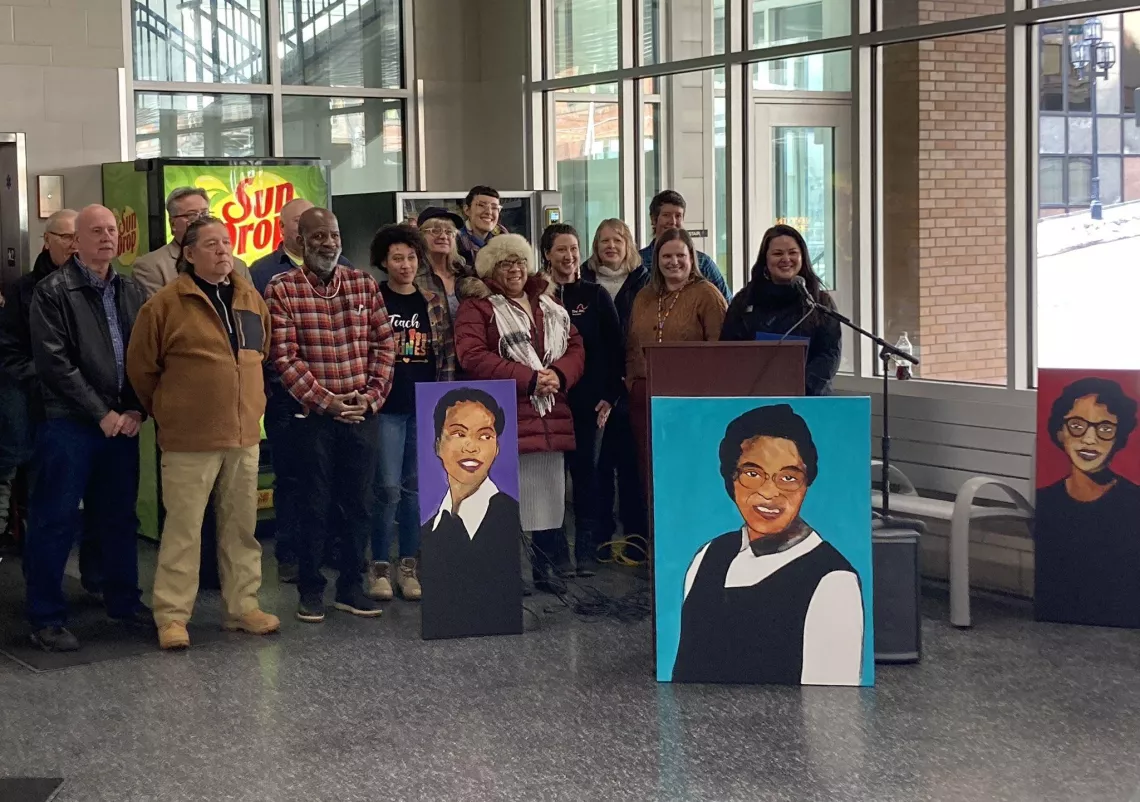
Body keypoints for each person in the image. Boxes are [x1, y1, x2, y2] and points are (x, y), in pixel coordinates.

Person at [126, 217, 280, 650]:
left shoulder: (249, 297)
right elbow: (141, 368)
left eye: (226, 242)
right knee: (184, 530)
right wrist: (171, 410)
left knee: (241, 528)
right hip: (189, 439)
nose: (222, 250)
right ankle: (172, 616)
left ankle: (242, 607)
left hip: (244, 435)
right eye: (211, 244)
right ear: (189, 254)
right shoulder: (164, 304)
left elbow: (261, 352)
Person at [23, 204, 149, 652]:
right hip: (69, 423)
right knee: (56, 519)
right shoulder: (53, 291)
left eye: (112, 230)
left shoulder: (132, 290)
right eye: (96, 230)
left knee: (118, 517)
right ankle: (46, 618)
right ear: (76, 241)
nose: (107, 237)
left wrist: (136, 409)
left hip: (122, 423)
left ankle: (123, 602)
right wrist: (101, 413)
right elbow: (54, 364)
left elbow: (145, 356)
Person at [265, 207, 396, 623]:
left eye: (334, 235)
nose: (328, 243)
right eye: (318, 235)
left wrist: (370, 398)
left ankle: (351, 587)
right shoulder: (282, 288)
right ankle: (310, 589)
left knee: (360, 505)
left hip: (361, 414)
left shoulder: (363, 284)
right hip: (313, 418)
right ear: (300, 241)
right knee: (313, 505)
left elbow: (384, 346)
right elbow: (284, 357)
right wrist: (327, 402)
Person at [672, 404, 863, 685]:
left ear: (806, 484)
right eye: (752, 474)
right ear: (730, 479)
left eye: (788, 478)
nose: (769, 493)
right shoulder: (708, 555)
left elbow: (831, 700)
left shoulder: (833, 581)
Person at [454, 233, 585, 593]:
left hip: (550, 411)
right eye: (505, 263)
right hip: (504, 413)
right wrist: (529, 379)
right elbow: (472, 356)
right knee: (506, 498)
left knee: (548, 495)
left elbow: (575, 346)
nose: (514, 270)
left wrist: (558, 374)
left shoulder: (549, 303)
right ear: (491, 270)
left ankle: (546, 568)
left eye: (519, 262)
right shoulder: (477, 307)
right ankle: (512, 572)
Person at [248, 196, 350, 584]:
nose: (322, 239)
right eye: (300, 223)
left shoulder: (347, 270)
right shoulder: (262, 274)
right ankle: (290, 553)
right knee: (291, 479)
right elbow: (264, 342)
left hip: (339, 399)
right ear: (288, 230)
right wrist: (290, 388)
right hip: (286, 398)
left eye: (329, 232)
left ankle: (332, 549)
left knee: (335, 478)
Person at [0, 210, 103, 592]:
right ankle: (42, 594)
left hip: (94, 410)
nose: (74, 246)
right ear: (47, 240)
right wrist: (48, 379)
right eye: (66, 238)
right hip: (38, 408)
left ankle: (97, 578)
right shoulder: (24, 291)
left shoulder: (102, 285)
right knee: (48, 505)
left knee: (101, 501)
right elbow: (9, 353)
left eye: (79, 238)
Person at [366, 224, 457, 602]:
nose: (405, 265)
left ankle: (408, 565)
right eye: (397, 258)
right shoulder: (373, 298)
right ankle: (378, 567)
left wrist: (444, 404)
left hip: (424, 406)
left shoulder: (433, 300)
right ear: (384, 262)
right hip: (386, 407)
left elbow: (446, 355)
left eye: (411, 258)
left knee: (415, 490)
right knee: (387, 489)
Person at [542, 223, 623, 575]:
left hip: (589, 403)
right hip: (547, 402)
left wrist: (610, 396)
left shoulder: (595, 295)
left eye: (574, 248)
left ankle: (586, 551)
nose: (569, 255)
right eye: (561, 249)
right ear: (547, 254)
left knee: (587, 476)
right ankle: (556, 554)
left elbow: (615, 348)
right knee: (551, 480)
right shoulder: (538, 295)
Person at [1035, 378, 1140, 628]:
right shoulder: (1047, 501)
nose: (1089, 439)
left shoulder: (1134, 502)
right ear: (1060, 432)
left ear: (1119, 437)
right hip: (1054, 624)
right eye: (1077, 426)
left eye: (1105, 428)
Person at [626, 228, 727, 486]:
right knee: (649, 472)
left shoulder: (707, 294)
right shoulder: (644, 296)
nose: (674, 262)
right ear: (657, 261)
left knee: (687, 472)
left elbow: (721, 349)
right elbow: (632, 345)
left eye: (680, 255)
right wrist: (632, 385)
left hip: (690, 401)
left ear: (691, 258)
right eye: (666, 256)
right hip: (645, 398)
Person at [421, 388, 523, 638]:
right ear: (437, 444)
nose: (471, 447)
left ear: (497, 448)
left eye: (485, 436)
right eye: (459, 433)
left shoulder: (509, 516)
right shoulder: (429, 530)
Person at [581, 219, 650, 550]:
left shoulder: (645, 282)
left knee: (631, 466)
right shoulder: (582, 280)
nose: (610, 246)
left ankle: (635, 538)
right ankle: (601, 539)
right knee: (599, 467)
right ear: (595, 246)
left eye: (617, 240)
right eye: (604, 241)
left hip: (632, 383)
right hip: (594, 386)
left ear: (628, 245)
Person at [720, 224, 841, 396]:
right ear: (765, 259)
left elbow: (829, 354)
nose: (786, 259)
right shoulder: (745, 300)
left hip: (808, 398)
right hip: (754, 396)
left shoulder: (820, 302)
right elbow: (729, 348)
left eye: (793, 253)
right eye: (777, 253)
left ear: (803, 257)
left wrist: (800, 387)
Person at [133, 187, 250, 298]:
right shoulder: (150, 266)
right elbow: (158, 311)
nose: (201, 221)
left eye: (205, 214)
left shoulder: (238, 266)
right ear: (172, 224)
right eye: (192, 215)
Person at [631, 190, 730, 302]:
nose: (673, 221)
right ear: (653, 219)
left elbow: (727, 303)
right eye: (666, 215)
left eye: (678, 216)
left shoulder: (703, 263)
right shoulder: (638, 261)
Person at [249, 198, 353, 295]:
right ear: (282, 226)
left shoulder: (342, 264)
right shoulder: (259, 272)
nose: (310, 228)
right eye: (298, 221)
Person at [416, 206, 477, 320]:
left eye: (449, 232)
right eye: (435, 231)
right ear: (420, 236)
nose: (443, 236)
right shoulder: (414, 277)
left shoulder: (467, 273)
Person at [457, 186, 509, 268]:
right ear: (467, 210)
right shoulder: (455, 240)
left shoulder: (504, 237)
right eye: (481, 205)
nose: (489, 212)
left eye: (494, 207)